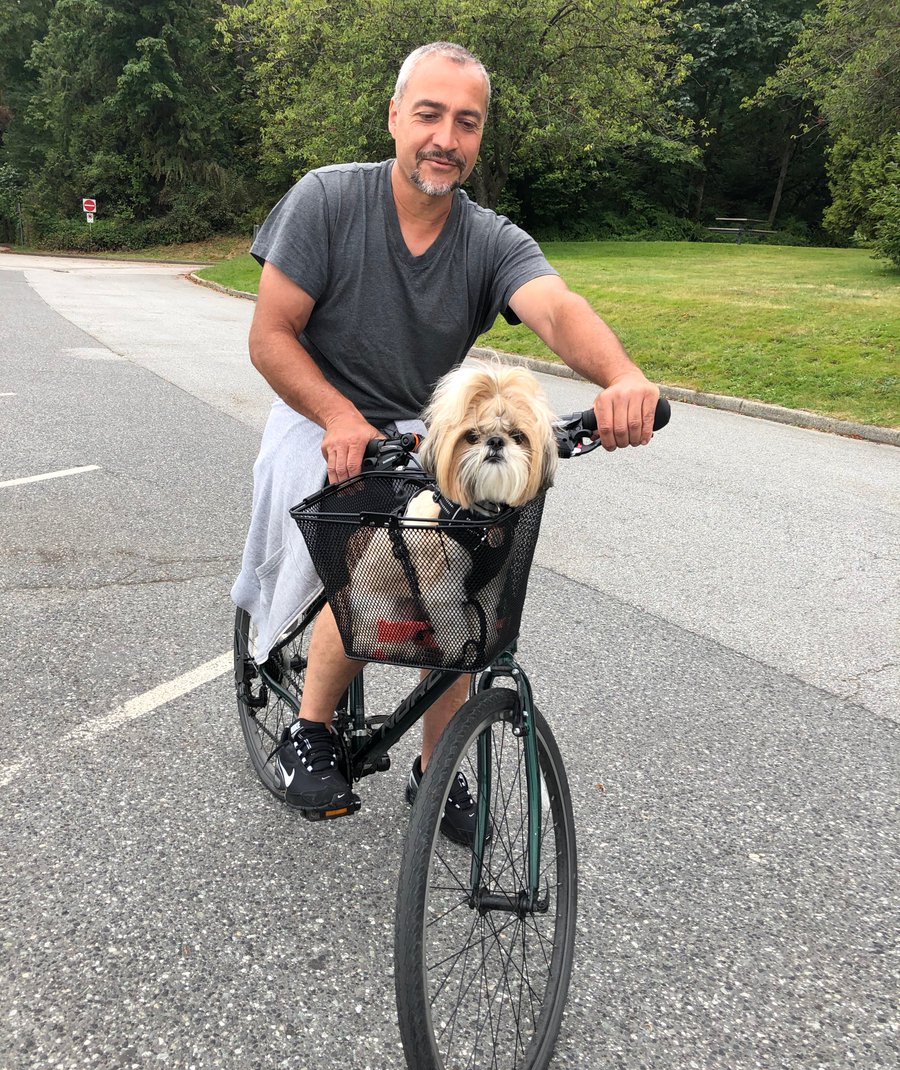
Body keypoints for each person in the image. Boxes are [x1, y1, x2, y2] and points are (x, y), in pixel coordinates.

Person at [232, 41, 660, 842]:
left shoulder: (489, 239)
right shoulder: (326, 200)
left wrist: (622, 376)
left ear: (478, 138)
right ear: (395, 116)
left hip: (424, 431)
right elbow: (270, 336)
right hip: (316, 412)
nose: (445, 137)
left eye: (466, 122)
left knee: (464, 574)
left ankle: (436, 764)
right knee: (370, 558)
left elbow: (555, 308)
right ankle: (310, 728)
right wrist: (336, 416)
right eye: (428, 113)